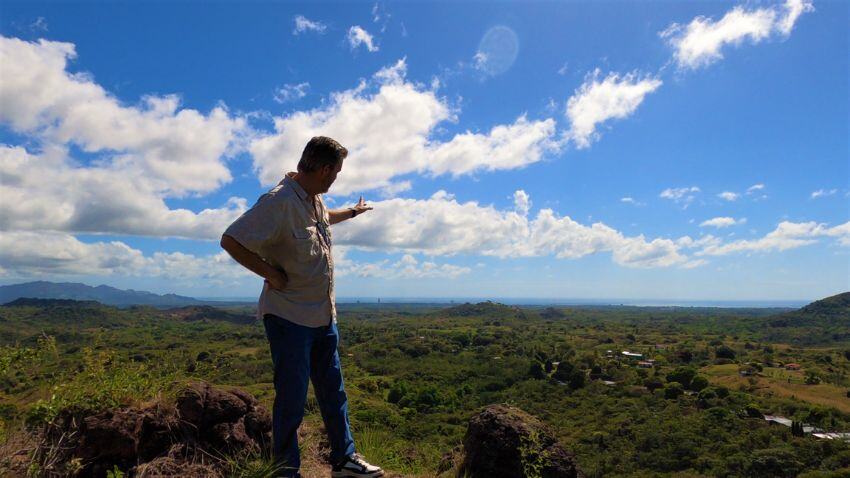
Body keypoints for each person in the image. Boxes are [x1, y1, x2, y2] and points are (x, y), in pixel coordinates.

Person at [220, 136, 383, 478]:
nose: (337, 176)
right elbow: (231, 239)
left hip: (323, 316)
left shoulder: (314, 200)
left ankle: (344, 460)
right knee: (292, 401)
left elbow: (325, 220)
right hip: (289, 317)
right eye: (336, 171)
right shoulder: (278, 201)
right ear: (325, 169)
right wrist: (269, 273)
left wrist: (353, 211)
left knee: (333, 393)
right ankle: (286, 471)